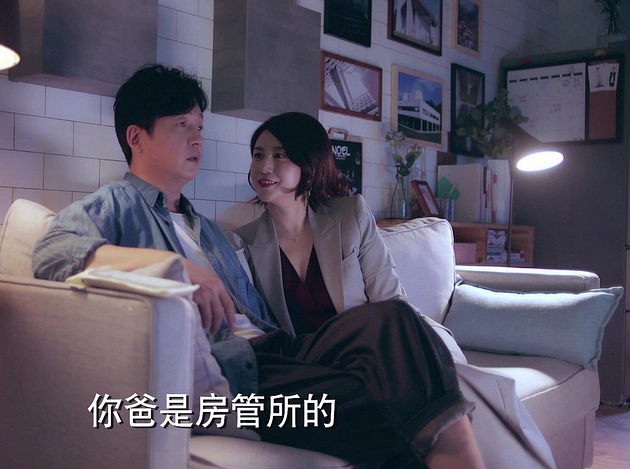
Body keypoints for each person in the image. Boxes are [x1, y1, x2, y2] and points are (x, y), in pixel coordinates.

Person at [33, 65, 483, 467]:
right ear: (136, 137)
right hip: (236, 374)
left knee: (392, 320)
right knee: (396, 397)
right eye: (181, 125)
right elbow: (53, 253)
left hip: (279, 352)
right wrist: (173, 266)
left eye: (199, 127)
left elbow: (263, 317)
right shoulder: (116, 205)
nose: (197, 139)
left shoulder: (209, 230)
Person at [232, 111, 555, 468]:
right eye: (258, 155)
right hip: (312, 366)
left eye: (279, 155)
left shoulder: (349, 215)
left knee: (404, 342)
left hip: (370, 356)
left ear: (308, 163)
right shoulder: (243, 242)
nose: (264, 166)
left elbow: (390, 300)